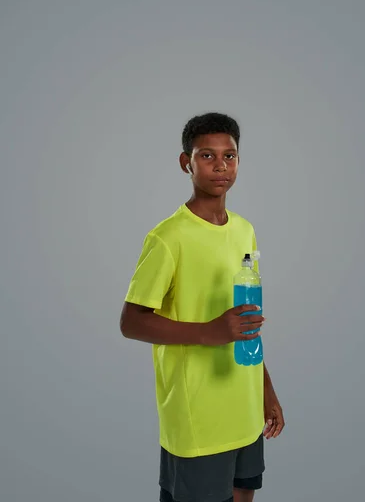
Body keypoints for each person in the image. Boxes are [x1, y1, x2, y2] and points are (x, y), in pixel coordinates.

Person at [120, 112, 285, 502]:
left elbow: (245, 319)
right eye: (207, 156)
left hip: (244, 407)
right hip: (199, 417)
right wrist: (207, 332)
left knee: (244, 494)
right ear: (186, 163)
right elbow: (131, 321)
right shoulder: (168, 237)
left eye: (229, 156)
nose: (220, 166)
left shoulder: (244, 230)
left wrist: (267, 390)